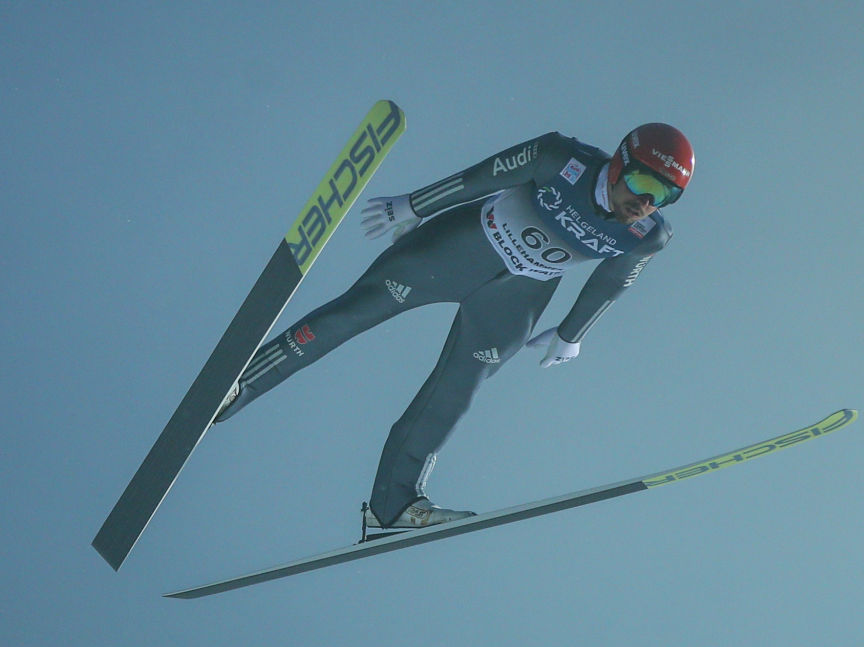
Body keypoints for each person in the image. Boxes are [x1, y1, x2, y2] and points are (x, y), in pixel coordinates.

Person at [216, 123, 695, 530]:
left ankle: (393, 508)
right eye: (641, 184)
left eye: (664, 196)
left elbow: (613, 281)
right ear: (618, 163)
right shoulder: (560, 158)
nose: (646, 203)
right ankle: (239, 386)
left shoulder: (647, 235)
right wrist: (415, 204)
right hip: (458, 250)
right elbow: (484, 176)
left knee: (455, 393)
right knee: (353, 314)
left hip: (516, 298)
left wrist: (572, 334)